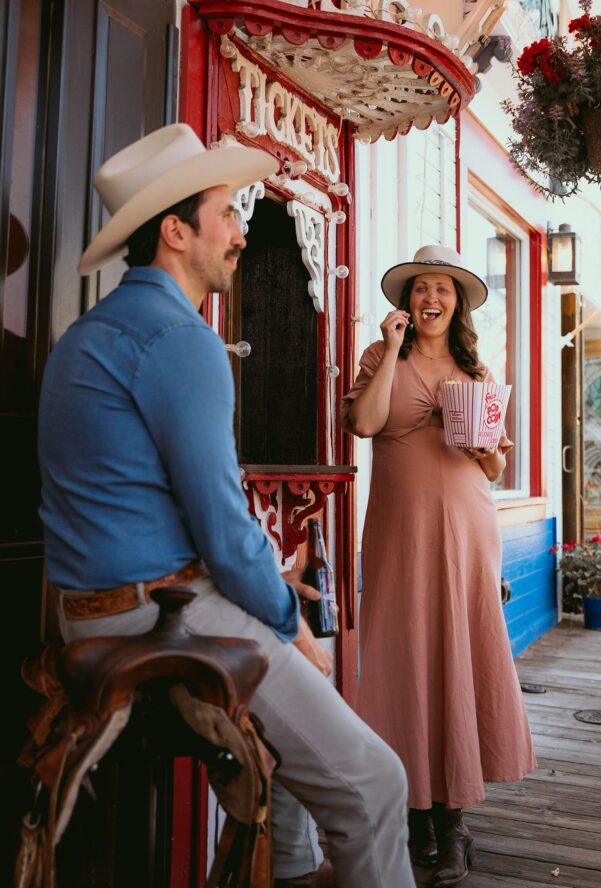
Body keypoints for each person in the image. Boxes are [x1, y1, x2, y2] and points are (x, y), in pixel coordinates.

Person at [37, 123, 415, 888]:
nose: (242, 232)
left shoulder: (90, 333)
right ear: (176, 232)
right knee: (378, 785)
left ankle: (293, 868)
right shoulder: (180, 338)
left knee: (302, 762)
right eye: (228, 214)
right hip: (155, 610)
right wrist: (286, 618)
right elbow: (219, 523)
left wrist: (272, 598)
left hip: (87, 608)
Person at [341, 245, 536, 887]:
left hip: (468, 527)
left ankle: (451, 823)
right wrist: (390, 351)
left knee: (459, 656)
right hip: (400, 532)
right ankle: (413, 813)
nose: (432, 297)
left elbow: (495, 466)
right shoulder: (381, 358)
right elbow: (364, 426)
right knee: (404, 660)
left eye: (443, 288)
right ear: (407, 301)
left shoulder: (475, 368)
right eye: (421, 287)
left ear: (457, 303)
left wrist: (487, 448)